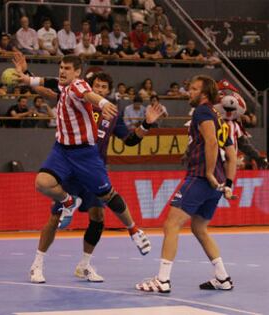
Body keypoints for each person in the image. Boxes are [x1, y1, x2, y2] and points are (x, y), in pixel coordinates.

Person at [15, 54, 152, 281]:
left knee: (102, 209)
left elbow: (128, 139)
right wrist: (26, 76)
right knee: (46, 193)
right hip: (64, 152)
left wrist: (144, 123)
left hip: (89, 160)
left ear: (78, 73)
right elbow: (50, 86)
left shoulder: (98, 104)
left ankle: (129, 234)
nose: (62, 71)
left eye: (67, 68)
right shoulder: (70, 88)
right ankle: (39, 261)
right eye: (61, 67)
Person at [135, 75, 237, 293]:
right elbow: (231, 153)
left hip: (201, 177)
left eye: (193, 89)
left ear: (203, 94)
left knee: (171, 224)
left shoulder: (202, 111)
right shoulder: (219, 116)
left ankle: (162, 281)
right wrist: (228, 183)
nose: (188, 92)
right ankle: (223, 277)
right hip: (215, 184)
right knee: (199, 228)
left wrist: (208, 173)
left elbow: (211, 141)